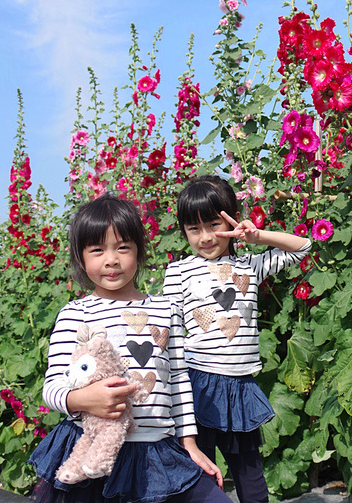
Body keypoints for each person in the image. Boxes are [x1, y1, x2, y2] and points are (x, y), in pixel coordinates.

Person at [29, 194, 230, 503]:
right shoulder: (75, 314)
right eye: (97, 250)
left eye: (123, 247)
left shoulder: (167, 310)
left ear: (139, 251)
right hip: (91, 451)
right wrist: (86, 399)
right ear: (81, 259)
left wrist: (190, 444)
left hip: (157, 451)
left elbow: (178, 381)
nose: (111, 260)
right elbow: (53, 387)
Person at [162, 176, 310, 503]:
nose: (205, 237)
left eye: (214, 224)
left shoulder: (249, 266)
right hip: (197, 382)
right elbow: (168, 329)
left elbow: (303, 247)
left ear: (230, 219)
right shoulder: (179, 272)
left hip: (241, 386)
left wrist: (257, 236)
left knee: (252, 480)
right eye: (193, 229)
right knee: (200, 478)